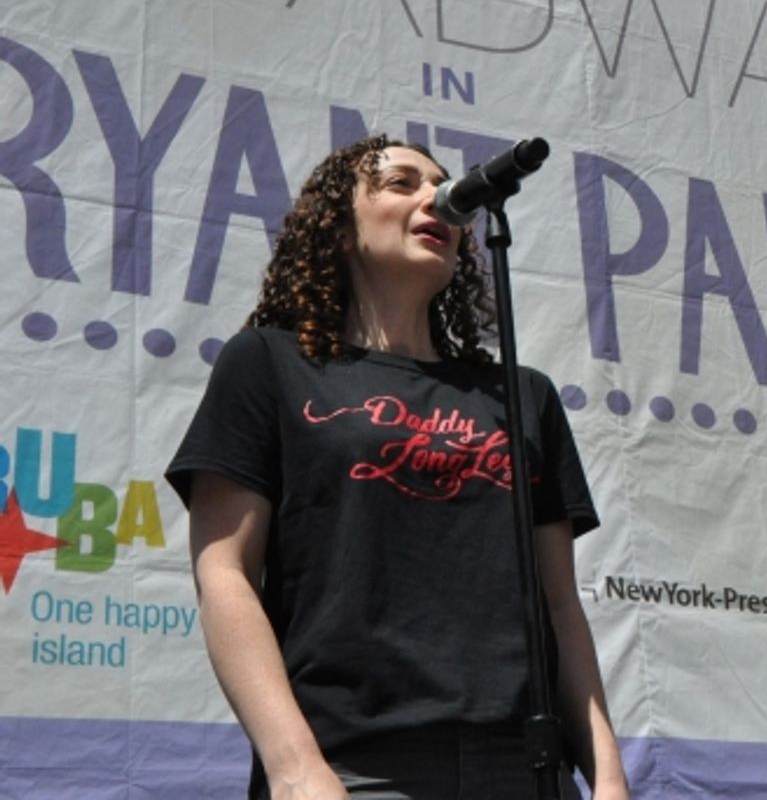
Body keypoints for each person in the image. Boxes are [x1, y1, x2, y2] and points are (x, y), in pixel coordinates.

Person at [167, 135, 629, 800]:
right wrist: (294, 768)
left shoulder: (523, 397)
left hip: (526, 771)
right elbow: (225, 572)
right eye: (401, 183)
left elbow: (558, 603)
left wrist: (607, 776)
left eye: (442, 184)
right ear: (340, 228)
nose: (436, 197)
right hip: (354, 769)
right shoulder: (268, 363)